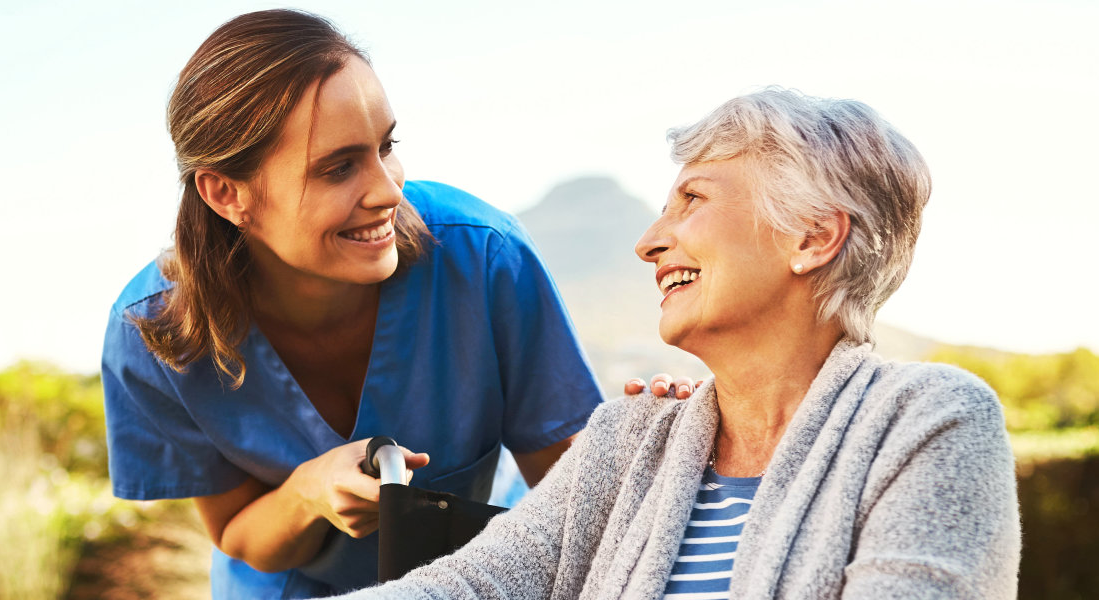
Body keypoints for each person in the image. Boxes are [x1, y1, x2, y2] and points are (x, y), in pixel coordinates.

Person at [331, 88, 1022, 599]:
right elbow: (469, 584)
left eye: (691, 200)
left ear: (812, 237)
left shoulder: (931, 420)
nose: (648, 242)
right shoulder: (630, 439)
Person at [99, 10, 676, 598]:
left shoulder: (484, 257)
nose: (388, 189)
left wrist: (657, 444)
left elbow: (573, 507)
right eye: (338, 168)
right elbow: (237, 535)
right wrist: (308, 492)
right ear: (226, 193)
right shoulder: (154, 335)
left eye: (386, 146)